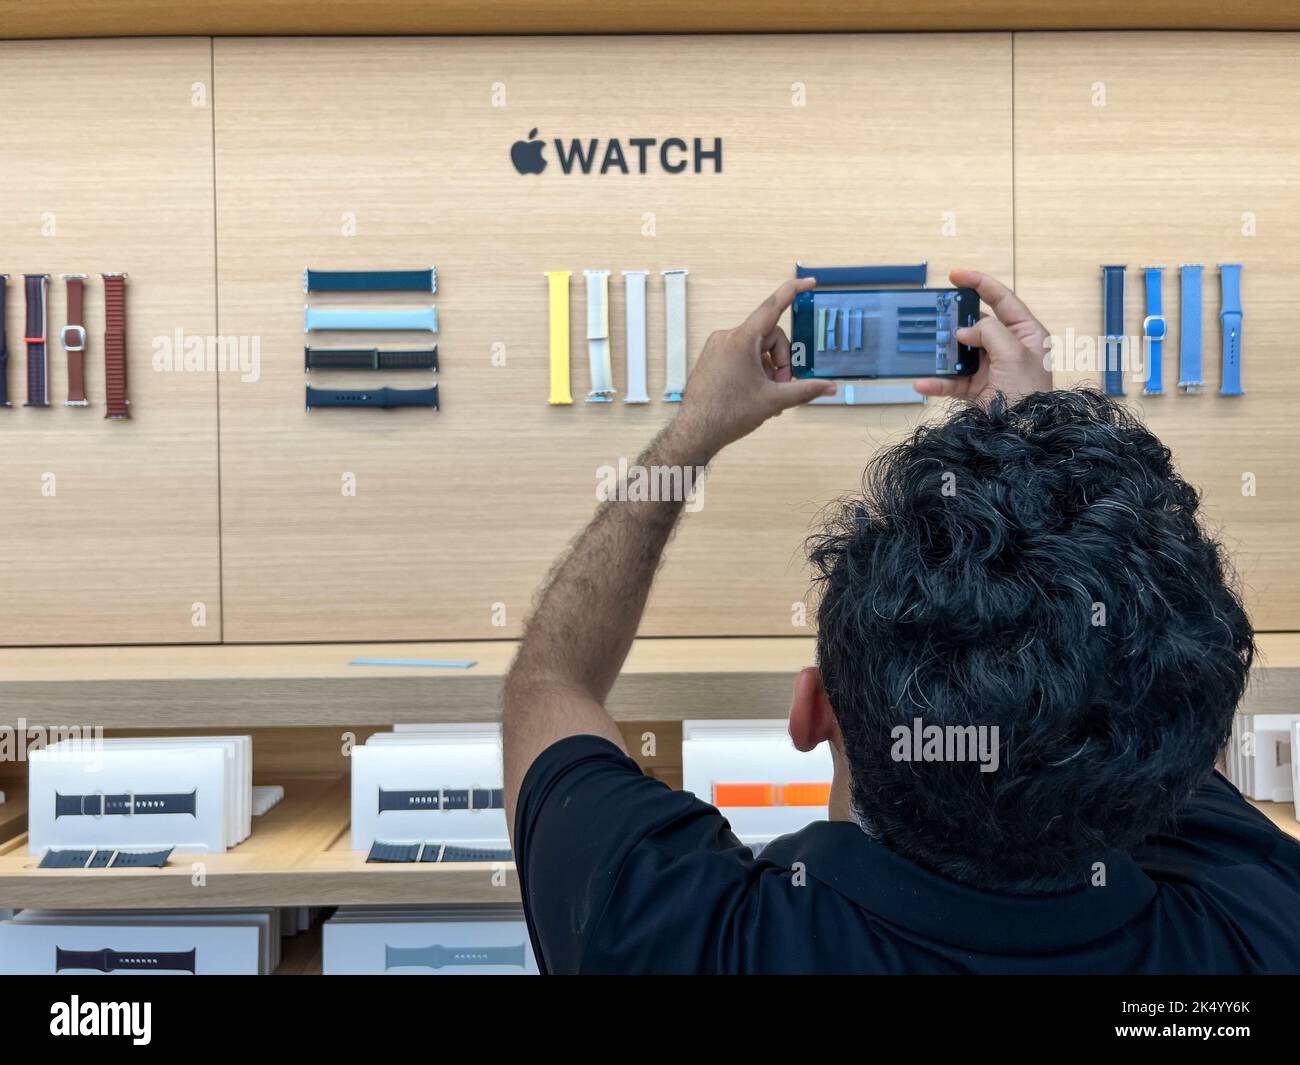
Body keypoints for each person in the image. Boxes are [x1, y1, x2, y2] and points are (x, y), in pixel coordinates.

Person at [501, 271, 1300, 974]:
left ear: (812, 711)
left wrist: (694, 431)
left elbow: (550, 685)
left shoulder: (674, 938)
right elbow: (1144, 702)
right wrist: (1024, 455)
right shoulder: (1263, 929)